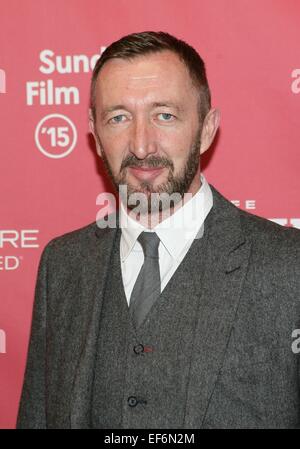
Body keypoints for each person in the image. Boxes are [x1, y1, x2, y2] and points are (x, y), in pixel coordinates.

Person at [17, 31, 300, 429]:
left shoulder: (290, 266)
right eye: (118, 117)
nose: (142, 144)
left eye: (164, 115)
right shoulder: (63, 265)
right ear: (95, 136)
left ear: (206, 129)